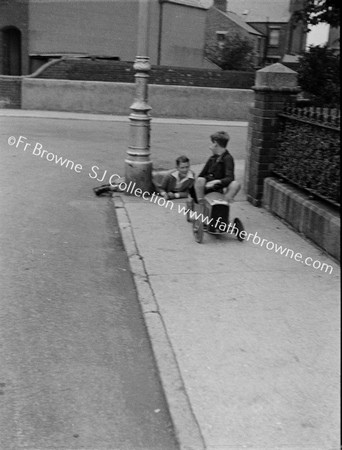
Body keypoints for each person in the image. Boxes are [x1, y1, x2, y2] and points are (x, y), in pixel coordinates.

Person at [192, 131, 240, 204]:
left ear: (215, 144)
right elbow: (201, 175)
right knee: (200, 180)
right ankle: (201, 204)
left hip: (217, 187)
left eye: (212, 143)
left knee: (235, 184)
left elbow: (230, 178)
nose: (210, 147)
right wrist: (206, 183)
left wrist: (217, 181)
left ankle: (223, 204)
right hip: (206, 187)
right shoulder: (212, 158)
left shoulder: (227, 158)